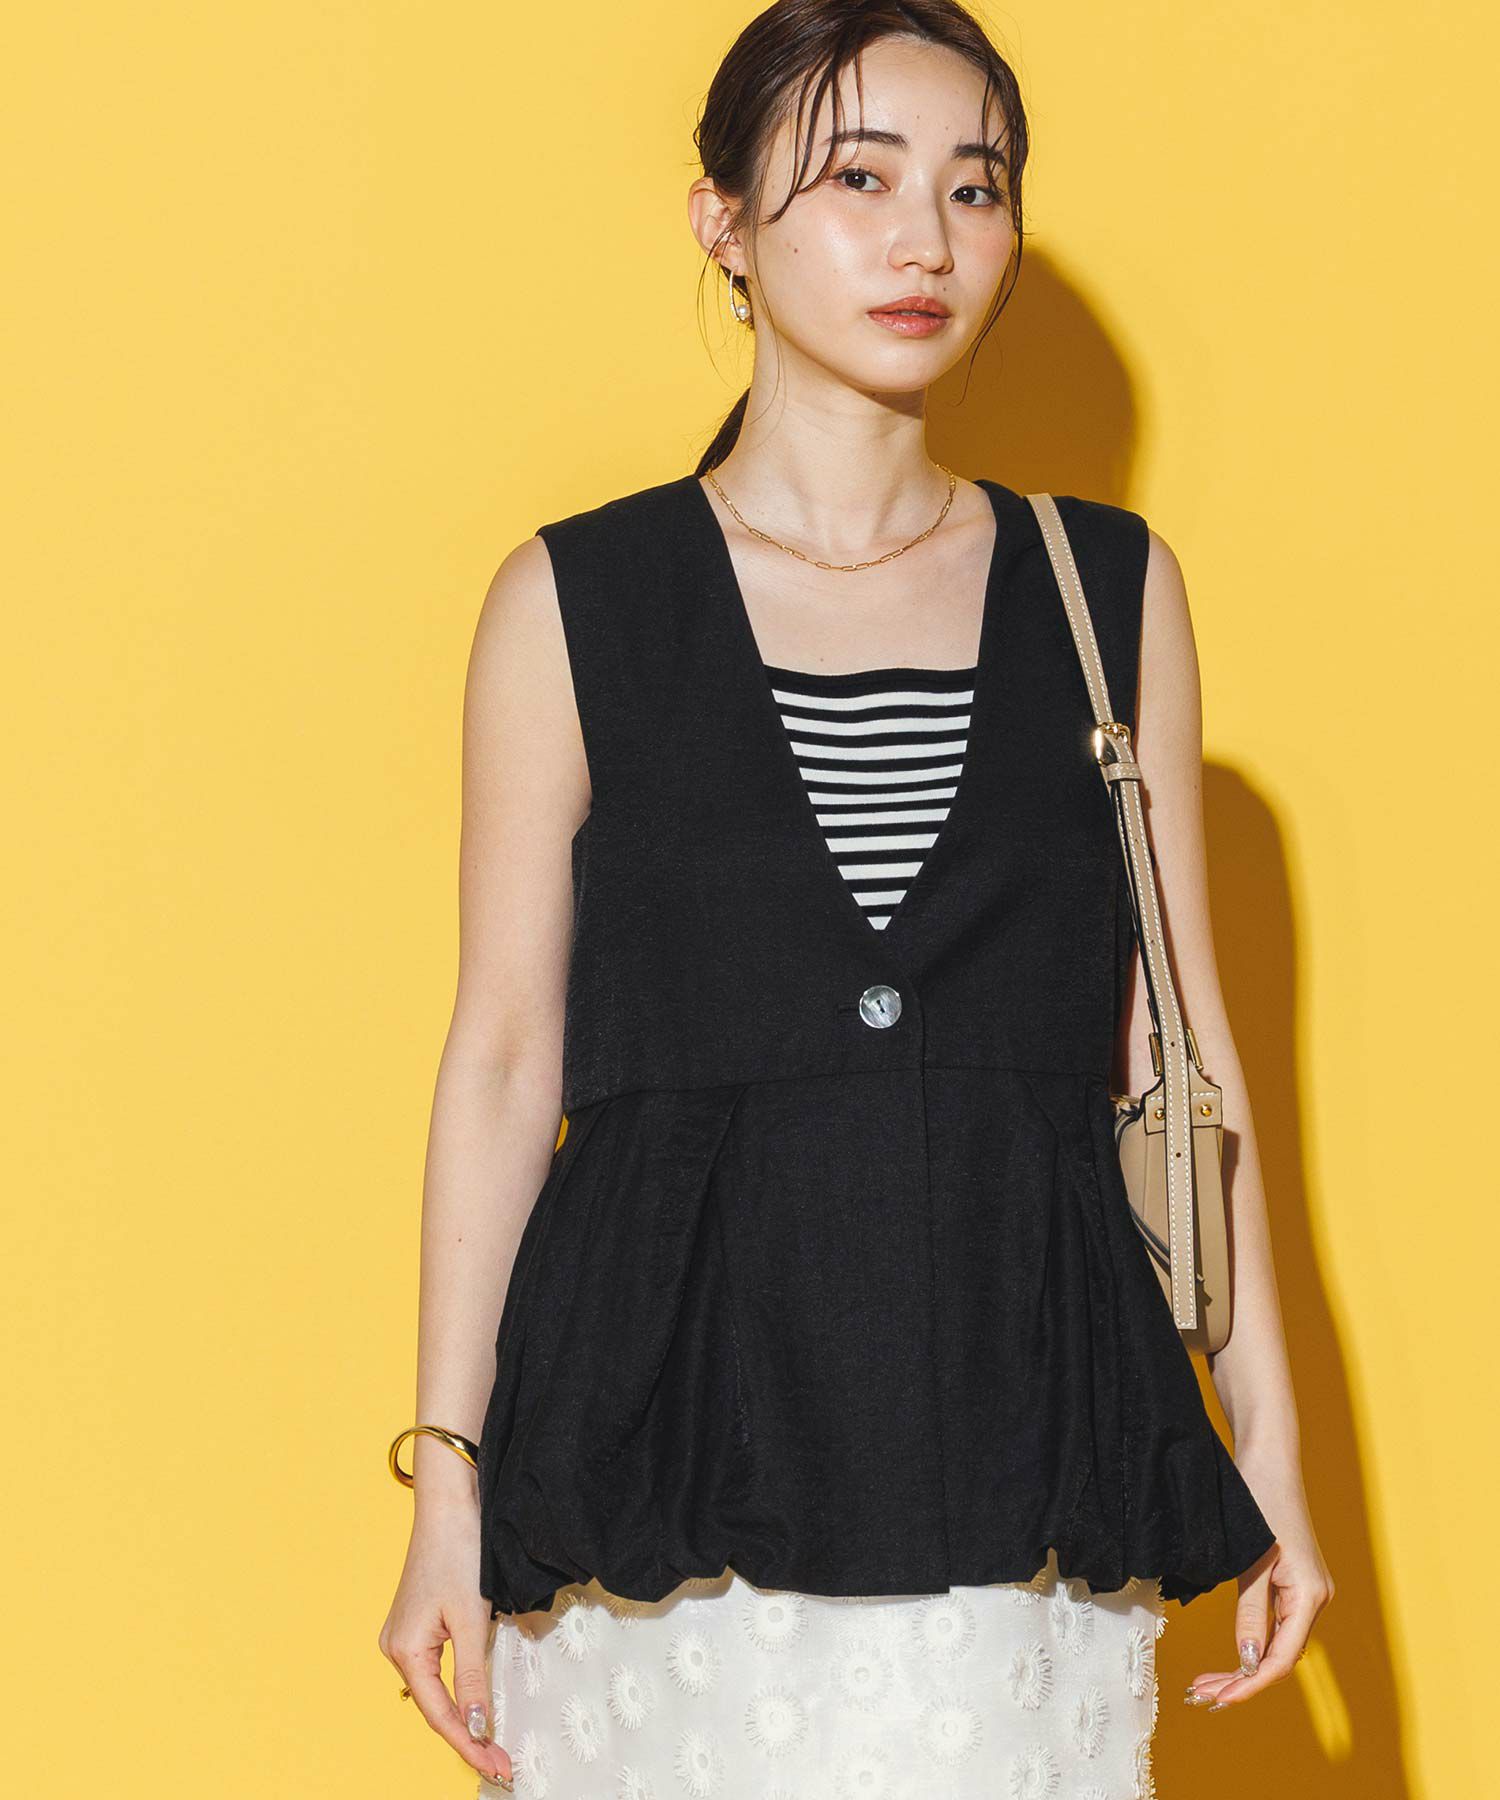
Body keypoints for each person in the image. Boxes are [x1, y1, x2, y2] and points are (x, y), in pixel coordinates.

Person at [377, 3, 1335, 1794]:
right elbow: (503, 1059)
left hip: (1021, 1412)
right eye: (858, 179)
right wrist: (446, 1482)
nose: (926, 242)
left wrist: (1265, 1443)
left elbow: (1180, 1046)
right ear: (723, 224)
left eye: (975, 188)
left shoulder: (1105, 585)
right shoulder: (574, 602)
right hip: (658, 1440)